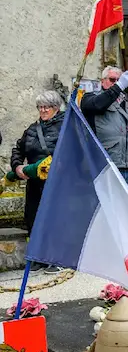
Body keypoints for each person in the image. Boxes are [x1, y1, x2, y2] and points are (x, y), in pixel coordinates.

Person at [11, 91, 65, 272]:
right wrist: (17, 167)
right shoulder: (32, 129)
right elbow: (18, 149)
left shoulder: (65, 126)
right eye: (40, 107)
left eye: (46, 107)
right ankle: (39, 257)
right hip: (34, 181)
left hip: (57, 181)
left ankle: (57, 258)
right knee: (33, 218)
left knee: (54, 219)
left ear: (56, 108)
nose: (42, 110)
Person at [80, 67, 128, 200]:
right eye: (113, 80)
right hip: (107, 168)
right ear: (103, 81)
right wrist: (118, 87)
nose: (117, 83)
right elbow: (96, 105)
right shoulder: (91, 98)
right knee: (110, 213)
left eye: (120, 80)